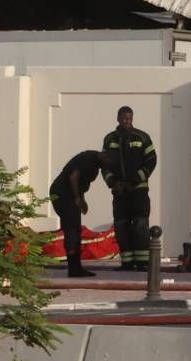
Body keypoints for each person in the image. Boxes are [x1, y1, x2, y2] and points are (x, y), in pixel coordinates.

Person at [102, 106, 157, 271]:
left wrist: (134, 180)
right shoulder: (109, 139)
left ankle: (142, 263)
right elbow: (104, 164)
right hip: (119, 192)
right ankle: (126, 262)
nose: (127, 121)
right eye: (124, 118)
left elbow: (151, 161)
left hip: (139, 191)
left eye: (129, 119)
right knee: (121, 226)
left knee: (140, 225)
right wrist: (113, 183)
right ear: (118, 119)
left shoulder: (142, 137)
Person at [50, 147, 116, 278]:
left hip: (66, 195)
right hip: (63, 195)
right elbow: (73, 177)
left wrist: (82, 200)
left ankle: (76, 267)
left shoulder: (94, 164)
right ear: (105, 156)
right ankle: (74, 268)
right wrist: (77, 198)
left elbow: (80, 183)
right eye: (110, 163)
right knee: (72, 229)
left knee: (74, 229)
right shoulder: (89, 159)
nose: (109, 167)